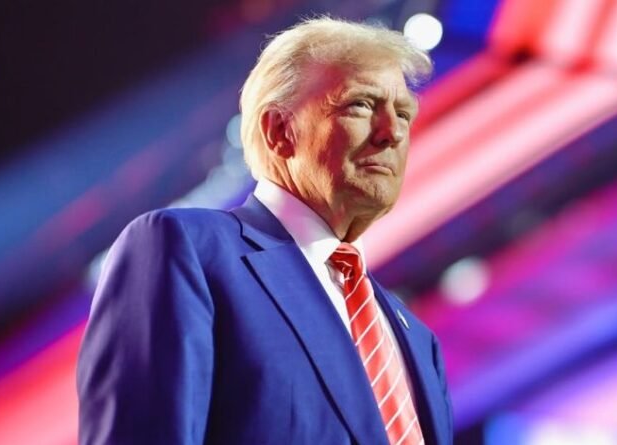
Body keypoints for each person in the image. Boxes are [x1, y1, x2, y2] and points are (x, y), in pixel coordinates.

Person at [77, 16, 453, 445]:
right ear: (279, 131)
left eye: (403, 113)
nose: (392, 133)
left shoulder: (418, 342)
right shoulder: (187, 250)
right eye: (361, 105)